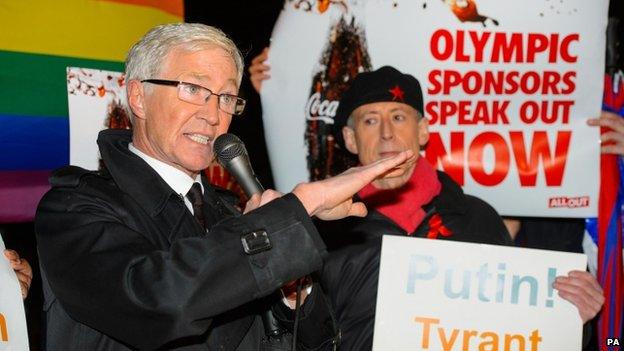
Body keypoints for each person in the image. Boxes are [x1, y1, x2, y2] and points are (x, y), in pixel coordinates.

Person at [34, 23, 415, 351]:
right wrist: (291, 214)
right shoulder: (75, 207)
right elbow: (159, 304)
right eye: (194, 90)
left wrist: (294, 295)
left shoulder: (233, 211)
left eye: (227, 97)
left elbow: (315, 340)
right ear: (138, 97)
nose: (213, 114)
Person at [316, 66, 604, 350]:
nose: (387, 133)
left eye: (399, 116)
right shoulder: (325, 229)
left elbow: (522, 331)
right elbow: (297, 335)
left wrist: (573, 317)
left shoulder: (478, 218)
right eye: (370, 121)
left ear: (423, 131)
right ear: (351, 139)